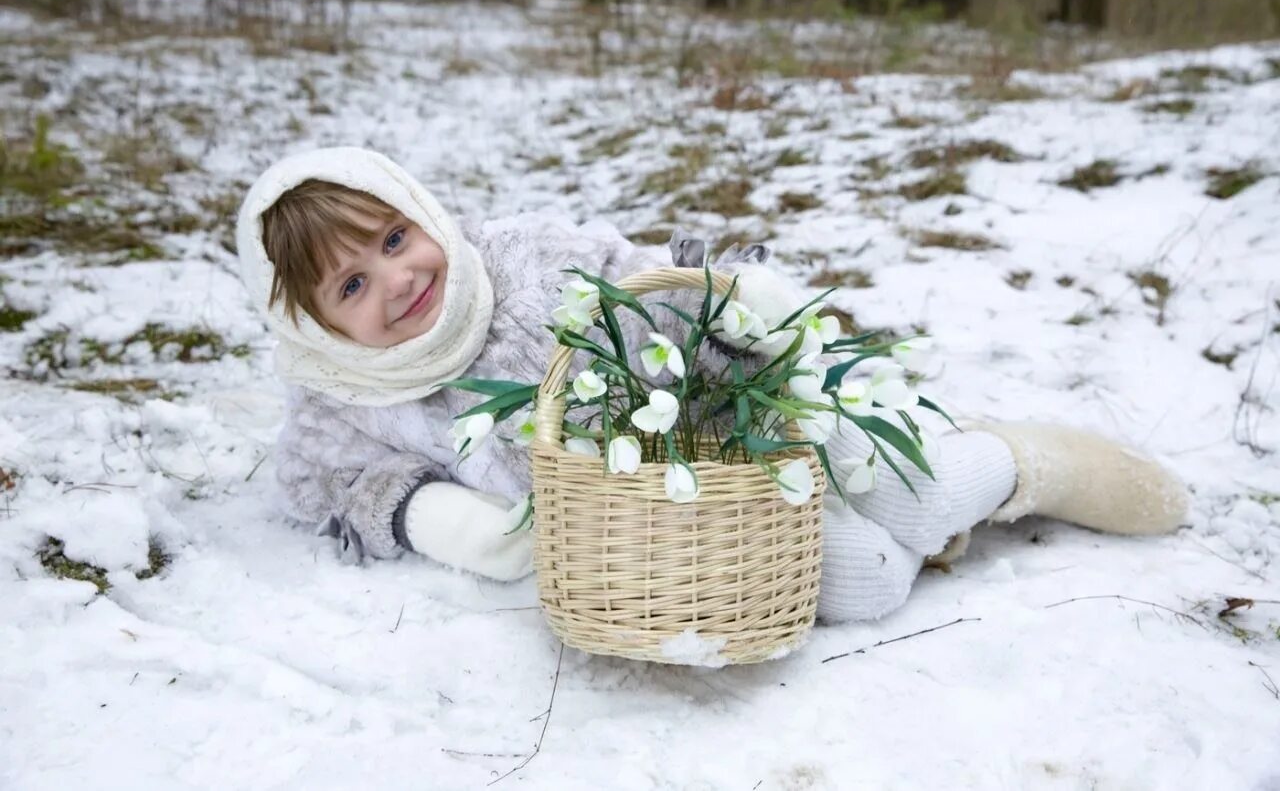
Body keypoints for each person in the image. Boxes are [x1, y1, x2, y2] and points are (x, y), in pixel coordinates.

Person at [235, 147, 1189, 623]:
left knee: (909, 488)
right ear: (313, 327)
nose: (398, 281)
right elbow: (315, 479)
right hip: (673, 530)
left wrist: (733, 305)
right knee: (867, 582)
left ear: (425, 213)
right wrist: (426, 513)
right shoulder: (345, 401)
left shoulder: (525, 259)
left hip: (729, 420)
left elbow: (653, 282)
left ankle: (1025, 462)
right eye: (352, 285)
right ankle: (937, 539)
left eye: (396, 238)